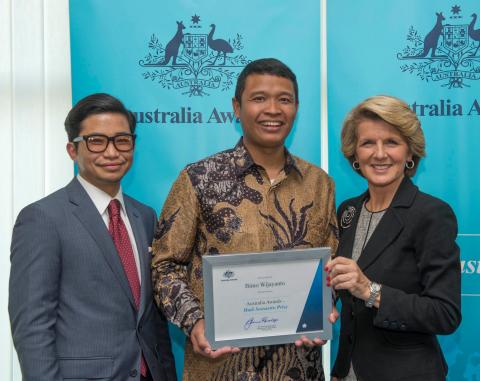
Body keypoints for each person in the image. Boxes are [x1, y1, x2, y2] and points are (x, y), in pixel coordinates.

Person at [151, 58, 338, 380]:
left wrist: (323, 310)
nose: (273, 109)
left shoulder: (318, 183)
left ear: (296, 108)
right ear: (236, 108)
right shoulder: (198, 178)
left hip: (296, 367)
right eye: (259, 98)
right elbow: (164, 265)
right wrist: (194, 320)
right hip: (219, 368)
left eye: (284, 99)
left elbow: (329, 268)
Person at [9, 93, 176, 381]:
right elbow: (32, 326)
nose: (112, 152)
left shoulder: (145, 216)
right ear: (72, 150)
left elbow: (153, 319)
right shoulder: (43, 218)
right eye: (96, 141)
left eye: (122, 140)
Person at [328, 95, 461, 381]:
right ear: (355, 154)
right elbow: (341, 289)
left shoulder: (431, 214)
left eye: (391, 142)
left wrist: (370, 291)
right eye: (367, 143)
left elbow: (444, 313)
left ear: (410, 152)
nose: (379, 154)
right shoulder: (347, 211)